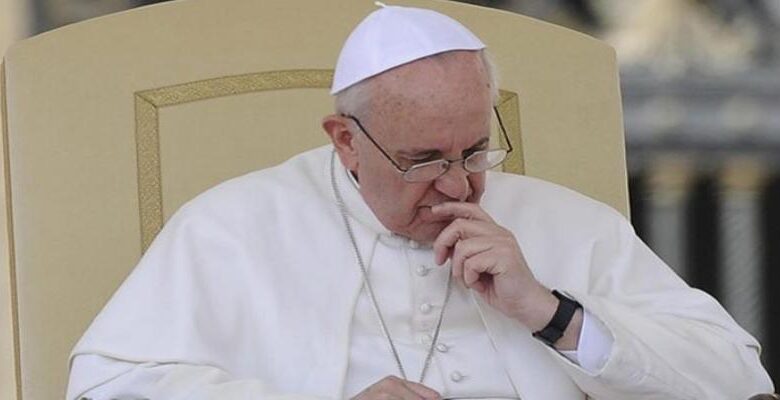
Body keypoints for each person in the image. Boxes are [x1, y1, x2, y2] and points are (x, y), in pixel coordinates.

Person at [66, 5, 774, 400]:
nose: (459, 185)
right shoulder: (231, 228)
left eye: (475, 150)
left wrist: (551, 312)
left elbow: (737, 380)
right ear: (346, 140)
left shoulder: (569, 222)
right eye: (424, 160)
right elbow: (106, 386)